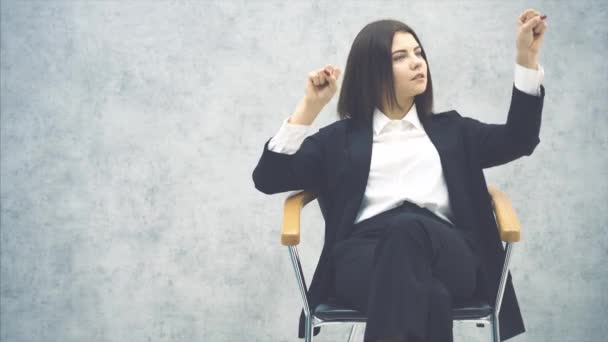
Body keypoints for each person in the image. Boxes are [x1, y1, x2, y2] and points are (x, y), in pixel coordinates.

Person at [253, 8, 547, 342]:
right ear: (372, 72)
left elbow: (520, 139)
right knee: (431, 298)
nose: (417, 62)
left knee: (407, 229)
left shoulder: (454, 131)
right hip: (364, 256)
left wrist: (527, 58)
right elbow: (268, 178)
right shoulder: (339, 140)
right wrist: (309, 107)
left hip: (448, 251)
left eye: (418, 53)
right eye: (400, 57)